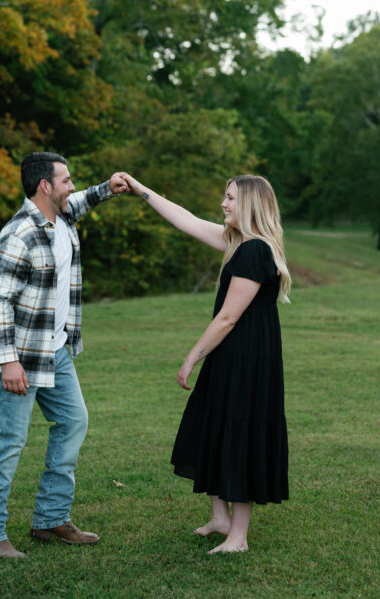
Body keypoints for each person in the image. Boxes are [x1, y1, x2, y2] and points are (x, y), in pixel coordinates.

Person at [121, 171, 291, 555]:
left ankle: (239, 536)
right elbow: (187, 220)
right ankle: (219, 518)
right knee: (214, 424)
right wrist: (139, 188)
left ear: (248, 203)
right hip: (231, 354)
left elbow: (228, 317)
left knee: (239, 434)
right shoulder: (238, 243)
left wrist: (192, 356)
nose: (223, 204)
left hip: (246, 359)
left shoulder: (254, 250)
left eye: (230, 198)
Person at [0, 151, 129, 558]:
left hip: (55, 351)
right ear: (45, 186)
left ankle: (50, 519)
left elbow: (80, 203)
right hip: (20, 357)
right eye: (66, 180)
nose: (72, 186)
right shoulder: (18, 235)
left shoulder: (60, 218)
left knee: (74, 421)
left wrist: (107, 189)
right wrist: (8, 360)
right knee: (9, 441)